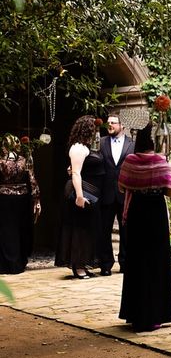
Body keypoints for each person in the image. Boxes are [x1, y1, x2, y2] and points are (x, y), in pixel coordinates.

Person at [117, 123, 171, 332]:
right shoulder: (162, 162)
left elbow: (122, 186)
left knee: (136, 261)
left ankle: (135, 313)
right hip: (156, 214)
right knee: (156, 262)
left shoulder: (130, 161)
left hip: (136, 213)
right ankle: (156, 313)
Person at [55, 115, 104, 279]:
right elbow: (75, 173)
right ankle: (78, 266)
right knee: (79, 230)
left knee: (87, 230)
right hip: (81, 192)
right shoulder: (78, 148)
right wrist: (80, 196)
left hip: (90, 191)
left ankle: (83, 263)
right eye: (93, 129)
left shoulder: (85, 147)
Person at [98, 113, 134, 276]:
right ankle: (105, 264)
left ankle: (125, 263)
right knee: (104, 230)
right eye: (108, 123)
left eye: (113, 123)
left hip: (125, 194)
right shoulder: (100, 142)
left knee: (126, 230)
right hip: (105, 193)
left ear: (122, 126)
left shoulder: (131, 145)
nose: (109, 125)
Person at [0, 134, 40, 274]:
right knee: (20, 229)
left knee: (6, 230)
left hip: (4, 198)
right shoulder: (24, 160)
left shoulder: (1, 162)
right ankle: (19, 262)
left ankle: (7, 264)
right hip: (22, 199)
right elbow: (32, 180)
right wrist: (36, 199)